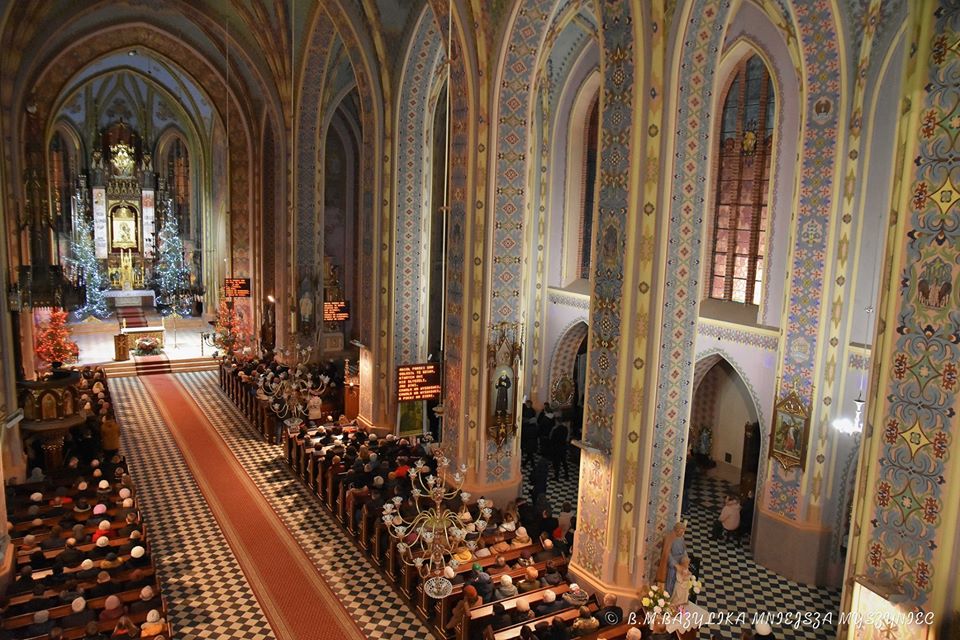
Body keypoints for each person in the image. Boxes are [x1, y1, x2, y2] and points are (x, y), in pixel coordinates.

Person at [659, 520, 688, 594]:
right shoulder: (669, 538)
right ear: (676, 530)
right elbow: (667, 553)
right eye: (681, 532)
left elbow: (684, 550)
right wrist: (676, 565)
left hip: (681, 562)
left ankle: (675, 596)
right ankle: (668, 595)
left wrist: (686, 558)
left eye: (683, 532)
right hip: (672, 565)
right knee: (670, 581)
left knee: (678, 582)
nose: (682, 533)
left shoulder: (681, 538)